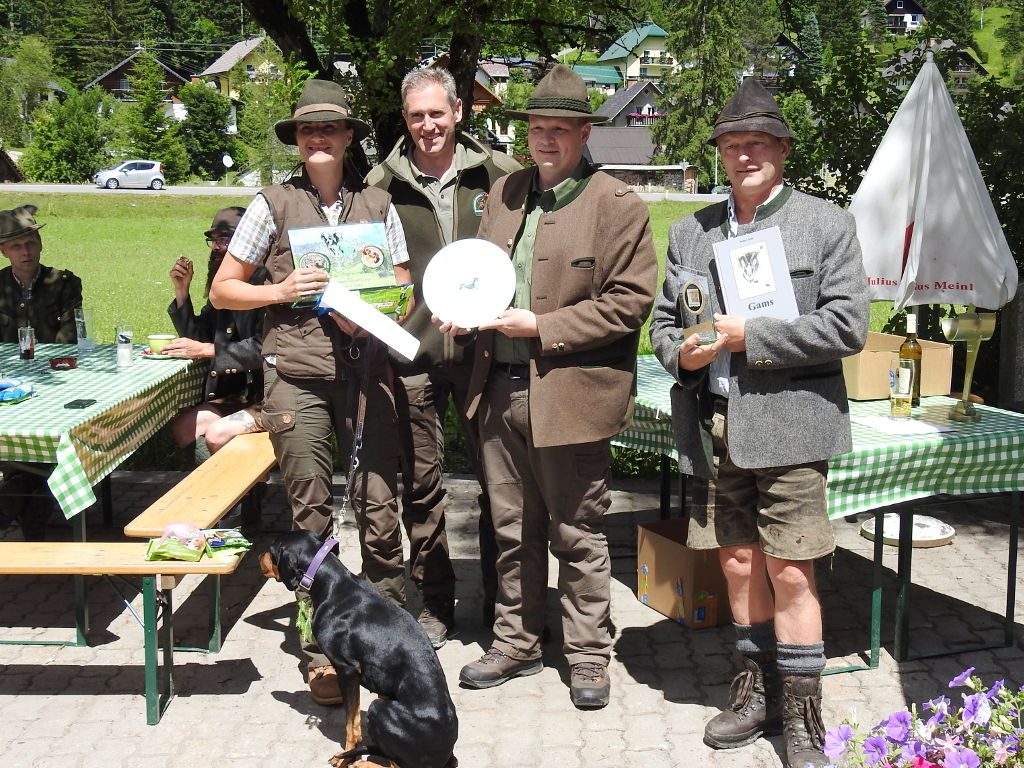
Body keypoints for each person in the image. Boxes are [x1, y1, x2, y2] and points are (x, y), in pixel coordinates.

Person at [648, 77, 869, 767]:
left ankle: (803, 716)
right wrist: (680, 351)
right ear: (720, 153)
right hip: (715, 425)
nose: (744, 155)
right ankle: (756, 694)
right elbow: (663, 325)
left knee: (793, 572)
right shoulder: (692, 231)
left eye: (757, 143)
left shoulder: (826, 224)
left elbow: (849, 326)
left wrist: (757, 337)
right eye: (732, 145)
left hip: (792, 427)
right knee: (738, 564)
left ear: (783, 150)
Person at [440, 65, 657, 709]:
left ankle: (588, 653)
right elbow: (483, 275)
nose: (545, 139)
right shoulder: (505, 192)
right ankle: (518, 641)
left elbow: (630, 303)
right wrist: (464, 310)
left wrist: (544, 327)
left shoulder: (617, 205)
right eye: (537, 128)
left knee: (578, 531)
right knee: (511, 529)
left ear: (585, 134)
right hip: (498, 390)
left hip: (571, 393)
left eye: (560, 129)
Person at [208, 78, 411, 707]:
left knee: (380, 509)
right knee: (312, 519)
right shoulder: (270, 204)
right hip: (296, 378)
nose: (317, 137)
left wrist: (377, 310)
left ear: (348, 137)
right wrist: (280, 289)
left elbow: (403, 285)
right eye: (306, 129)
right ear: (296, 140)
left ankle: (389, 636)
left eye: (329, 128)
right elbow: (222, 289)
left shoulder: (379, 202)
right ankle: (320, 651)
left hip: (367, 371)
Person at [365, 66, 521, 648]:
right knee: (422, 486)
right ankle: (434, 602)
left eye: (437, 113)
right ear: (405, 120)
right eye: (416, 116)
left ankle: (506, 605)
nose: (428, 125)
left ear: (458, 112)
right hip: (413, 354)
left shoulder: (501, 175)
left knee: (499, 483)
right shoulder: (380, 184)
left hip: (487, 354)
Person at [0, 204, 83, 539]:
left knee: (56, 433)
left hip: (53, 382)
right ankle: (29, 500)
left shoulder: (62, 283)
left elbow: (69, 340)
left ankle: (19, 497)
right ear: (4, 251)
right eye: (16, 246)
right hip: (6, 385)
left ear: (41, 244)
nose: (26, 252)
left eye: (31, 243)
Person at [166, 207, 266, 463]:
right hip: (238, 395)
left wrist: (207, 350)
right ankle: (206, 487)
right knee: (184, 427)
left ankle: (247, 488)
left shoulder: (265, 283)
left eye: (224, 239)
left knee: (216, 434)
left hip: (270, 398)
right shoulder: (223, 286)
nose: (216, 247)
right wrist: (182, 292)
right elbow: (201, 337)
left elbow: (264, 348)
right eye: (213, 240)